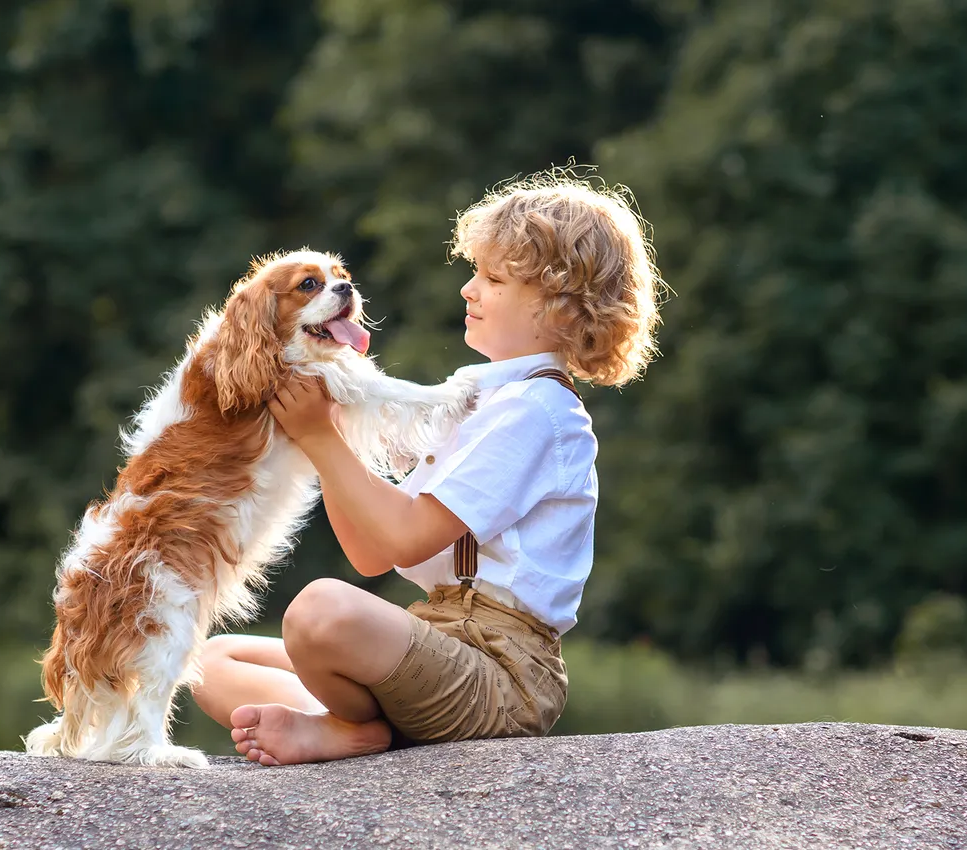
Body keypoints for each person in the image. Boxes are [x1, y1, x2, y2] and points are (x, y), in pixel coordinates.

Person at [190, 171, 663, 766]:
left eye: (492, 279)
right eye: (474, 272)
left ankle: (350, 730)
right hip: (436, 639)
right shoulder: (478, 400)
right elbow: (370, 555)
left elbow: (407, 537)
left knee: (318, 610)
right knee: (207, 661)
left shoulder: (539, 411)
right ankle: (353, 725)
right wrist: (329, 431)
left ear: (564, 308)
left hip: (501, 673)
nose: (468, 290)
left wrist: (318, 434)